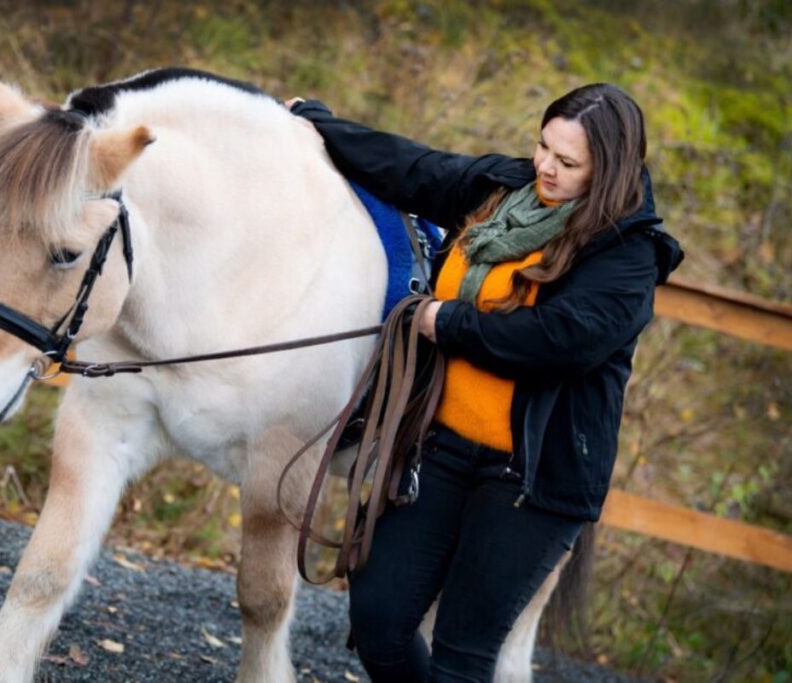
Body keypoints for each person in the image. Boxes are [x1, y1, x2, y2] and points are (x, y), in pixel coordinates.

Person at [287, 84, 683, 682]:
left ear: (611, 169)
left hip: (530, 477)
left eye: (568, 163)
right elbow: (413, 169)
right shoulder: (505, 191)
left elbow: (558, 340)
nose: (546, 167)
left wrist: (446, 322)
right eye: (544, 147)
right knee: (378, 617)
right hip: (441, 449)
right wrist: (319, 124)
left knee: (461, 655)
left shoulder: (628, 254)